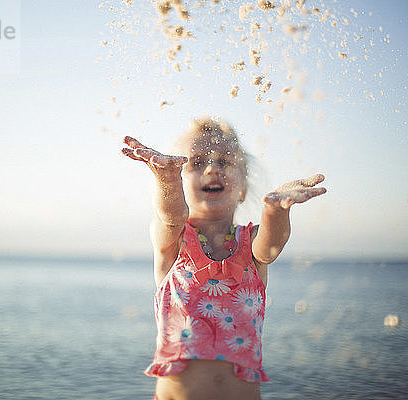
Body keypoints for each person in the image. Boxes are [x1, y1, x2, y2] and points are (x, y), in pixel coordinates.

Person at [121, 117, 326, 400]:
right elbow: (170, 214)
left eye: (225, 161)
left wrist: (276, 211)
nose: (212, 168)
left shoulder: (251, 242)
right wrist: (167, 179)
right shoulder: (174, 240)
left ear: (242, 189)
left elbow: (271, 245)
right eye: (196, 162)